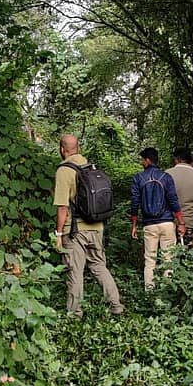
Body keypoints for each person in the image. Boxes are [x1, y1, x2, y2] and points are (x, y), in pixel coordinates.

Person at [53, 134, 124, 318]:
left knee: (75, 272)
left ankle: (74, 314)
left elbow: (62, 207)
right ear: (79, 148)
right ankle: (116, 306)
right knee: (99, 267)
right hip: (97, 227)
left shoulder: (64, 170)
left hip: (75, 230)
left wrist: (59, 234)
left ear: (62, 150)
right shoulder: (90, 167)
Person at [130, 147, 185, 290]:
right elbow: (173, 201)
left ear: (148, 160)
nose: (142, 162)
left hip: (149, 225)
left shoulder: (138, 178)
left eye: (142, 160)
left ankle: (149, 291)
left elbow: (135, 203)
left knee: (149, 260)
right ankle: (167, 291)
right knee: (168, 258)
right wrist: (181, 223)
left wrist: (134, 225)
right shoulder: (166, 177)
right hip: (167, 223)